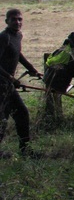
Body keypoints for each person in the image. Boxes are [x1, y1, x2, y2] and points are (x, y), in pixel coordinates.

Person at [0, 8, 42, 158]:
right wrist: (11, 78)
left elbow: (18, 54)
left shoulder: (17, 36)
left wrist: (32, 69)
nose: (17, 22)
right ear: (7, 22)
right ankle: (26, 150)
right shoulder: (4, 37)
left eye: (20, 19)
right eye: (14, 19)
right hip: (2, 84)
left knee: (15, 115)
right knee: (10, 116)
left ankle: (25, 149)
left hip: (6, 84)